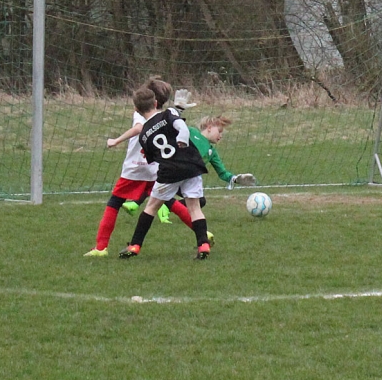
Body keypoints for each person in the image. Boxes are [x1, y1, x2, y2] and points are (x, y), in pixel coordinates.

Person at [119, 88, 213, 260]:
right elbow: (180, 126)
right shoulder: (169, 113)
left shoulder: (143, 136)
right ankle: (203, 244)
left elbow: (153, 159)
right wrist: (182, 136)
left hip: (169, 171)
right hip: (191, 165)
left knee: (151, 207)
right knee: (194, 207)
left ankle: (135, 245)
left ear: (136, 110)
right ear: (156, 103)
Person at [84, 77, 172, 257]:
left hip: (135, 168)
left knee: (114, 203)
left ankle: (101, 247)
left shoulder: (140, 113)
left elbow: (139, 127)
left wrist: (116, 140)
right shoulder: (165, 116)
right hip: (154, 168)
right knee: (169, 201)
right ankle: (202, 233)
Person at [158, 115, 256, 236]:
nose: (221, 136)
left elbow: (222, 173)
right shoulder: (191, 132)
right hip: (172, 173)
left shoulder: (211, 152)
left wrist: (236, 179)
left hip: (187, 181)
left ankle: (167, 205)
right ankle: (163, 203)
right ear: (209, 128)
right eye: (219, 131)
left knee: (201, 200)